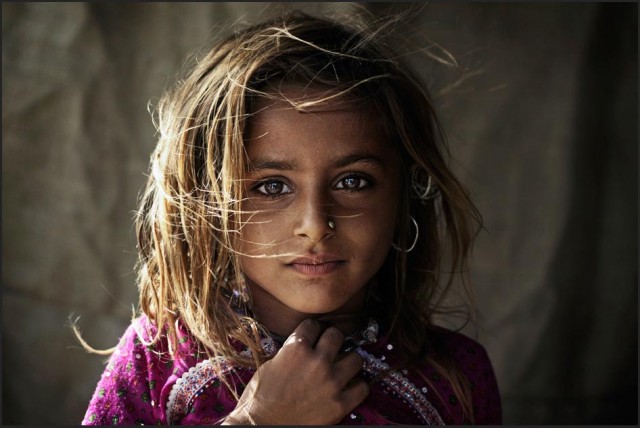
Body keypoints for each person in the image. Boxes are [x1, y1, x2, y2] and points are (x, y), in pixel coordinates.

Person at [80, 10, 501, 425]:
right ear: (205, 203)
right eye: (272, 186)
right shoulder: (157, 358)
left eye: (353, 182)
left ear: (405, 194)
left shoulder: (456, 375)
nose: (316, 225)